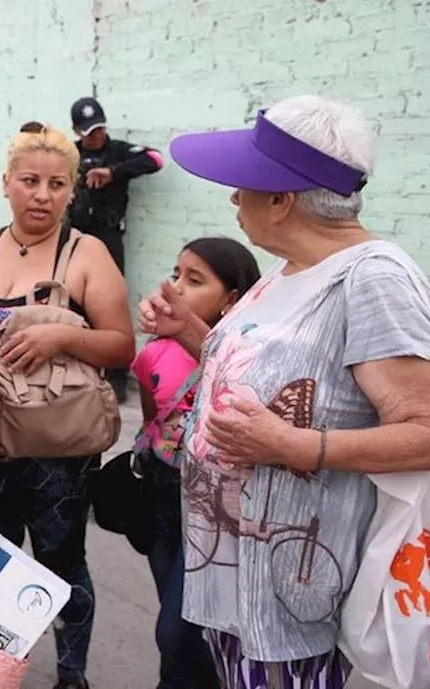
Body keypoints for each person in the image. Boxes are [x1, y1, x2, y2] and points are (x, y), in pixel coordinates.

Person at [139, 95, 430, 688]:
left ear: (281, 198)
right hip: (232, 581)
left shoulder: (373, 280)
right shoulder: (288, 270)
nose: (233, 199)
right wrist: (190, 332)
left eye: (242, 185)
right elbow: (277, 373)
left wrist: (294, 445)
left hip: (294, 600)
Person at [0, 121, 135, 689]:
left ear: (73, 190)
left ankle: (71, 675)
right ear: (6, 182)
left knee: (61, 560)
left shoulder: (87, 254)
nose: (43, 194)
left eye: (58, 184)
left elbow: (121, 344)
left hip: (56, 447)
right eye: (30, 181)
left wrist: (61, 337)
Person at [131, 237, 259, 689]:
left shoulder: (247, 351)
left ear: (231, 299)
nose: (177, 287)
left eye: (195, 280)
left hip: (211, 500)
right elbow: (150, 412)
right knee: (179, 618)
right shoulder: (158, 349)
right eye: (177, 273)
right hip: (164, 488)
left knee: (178, 629)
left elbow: (245, 391)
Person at [68, 97, 164, 402]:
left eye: (99, 129)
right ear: (77, 131)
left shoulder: (119, 150)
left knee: (112, 302)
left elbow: (155, 160)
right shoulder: (71, 154)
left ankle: (118, 377)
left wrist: (113, 172)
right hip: (77, 236)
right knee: (74, 301)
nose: (95, 136)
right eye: (88, 131)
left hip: (108, 235)